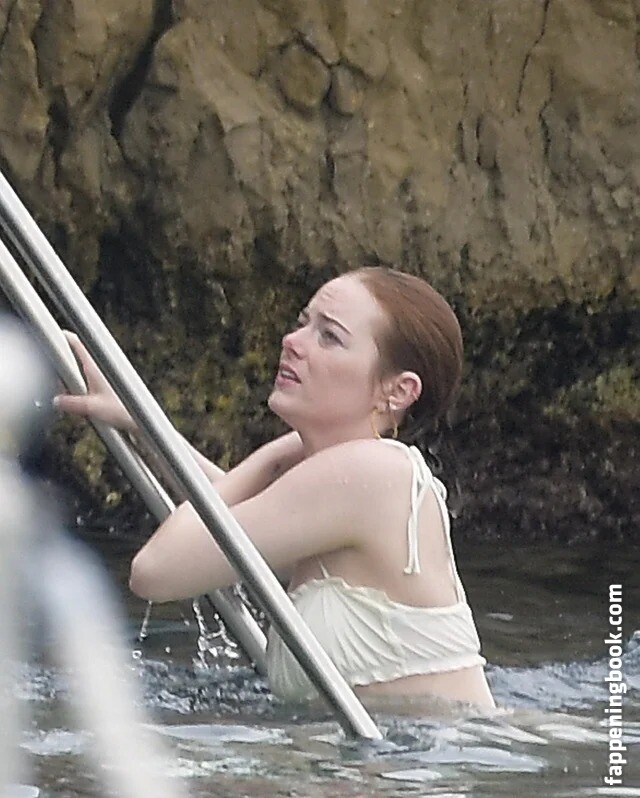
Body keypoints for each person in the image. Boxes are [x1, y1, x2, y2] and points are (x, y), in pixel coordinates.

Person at [55, 266, 495, 709]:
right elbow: (241, 521)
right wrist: (140, 421)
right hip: (410, 747)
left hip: (440, 750)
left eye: (330, 337)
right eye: (303, 323)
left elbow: (155, 570)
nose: (292, 341)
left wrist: (273, 456)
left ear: (398, 391)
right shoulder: (362, 477)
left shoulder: (371, 472)